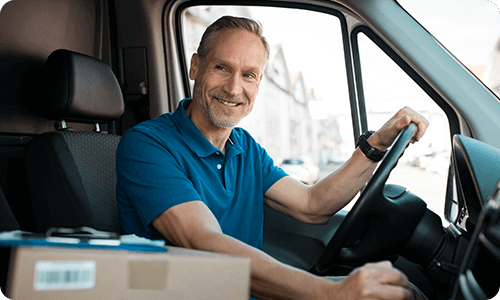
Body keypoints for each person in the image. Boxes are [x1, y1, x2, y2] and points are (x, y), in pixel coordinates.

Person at [116, 15, 429, 300]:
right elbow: (204, 242)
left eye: (249, 75)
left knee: (405, 291)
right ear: (196, 66)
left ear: (259, 83)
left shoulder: (245, 147)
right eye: (221, 68)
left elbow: (312, 205)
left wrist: (376, 145)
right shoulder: (147, 145)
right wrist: (330, 292)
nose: (234, 88)